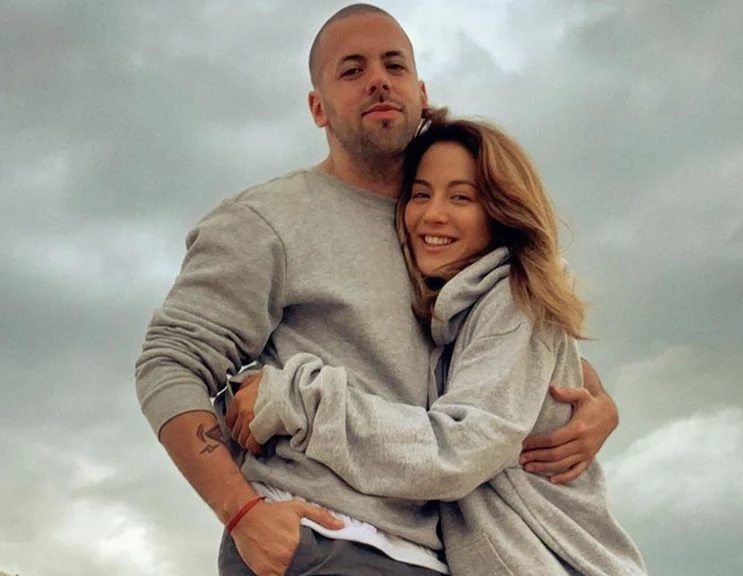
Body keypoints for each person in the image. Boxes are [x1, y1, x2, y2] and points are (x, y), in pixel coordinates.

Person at [134, 4, 619, 575]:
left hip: (434, 555)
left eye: (394, 65)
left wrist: (598, 405)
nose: (378, 80)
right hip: (323, 542)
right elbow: (169, 363)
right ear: (318, 107)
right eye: (352, 70)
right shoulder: (266, 222)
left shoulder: (446, 231)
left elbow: (511, 355)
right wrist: (242, 514)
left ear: (420, 90)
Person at [228, 112, 648, 575]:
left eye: (461, 197)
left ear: (500, 211)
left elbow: (456, 451)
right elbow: (559, 377)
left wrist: (298, 401)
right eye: (421, 194)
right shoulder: (456, 314)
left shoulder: (515, 295)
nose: (433, 214)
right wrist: (602, 400)